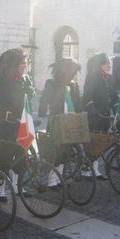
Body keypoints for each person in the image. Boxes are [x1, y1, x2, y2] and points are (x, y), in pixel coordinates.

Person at [0, 49, 35, 193]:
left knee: (21, 155)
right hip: (8, 125)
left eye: (25, 62)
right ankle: (0, 188)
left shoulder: (25, 78)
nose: (25, 65)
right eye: (22, 63)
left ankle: (18, 186)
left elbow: (28, 98)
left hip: (22, 123)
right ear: (14, 65)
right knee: (5, 155)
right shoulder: (4, 80)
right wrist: (9, 115)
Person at [38, 57, 81, 188]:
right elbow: (44, 99)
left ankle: (59, 177)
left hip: (70, 122)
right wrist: (43, 112)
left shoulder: (73, 85)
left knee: (66, 151)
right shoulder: (51, 83)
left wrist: (80, 116)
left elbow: (78, 103)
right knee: (56, 150)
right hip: (57, 121)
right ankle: (52, 179)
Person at [82, 53, 118, 180]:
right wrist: (93, 110)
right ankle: (86, 170)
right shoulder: (92, 77)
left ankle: (95, 168)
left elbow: (113, 96)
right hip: (95, 116)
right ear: (100, 65)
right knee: (92, 142)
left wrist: (117, 107)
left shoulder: (109, 78)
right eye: (106, 63)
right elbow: (87, 96)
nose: (109, 66)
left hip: (106, 116)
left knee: (101, 143)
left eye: (109, 63)